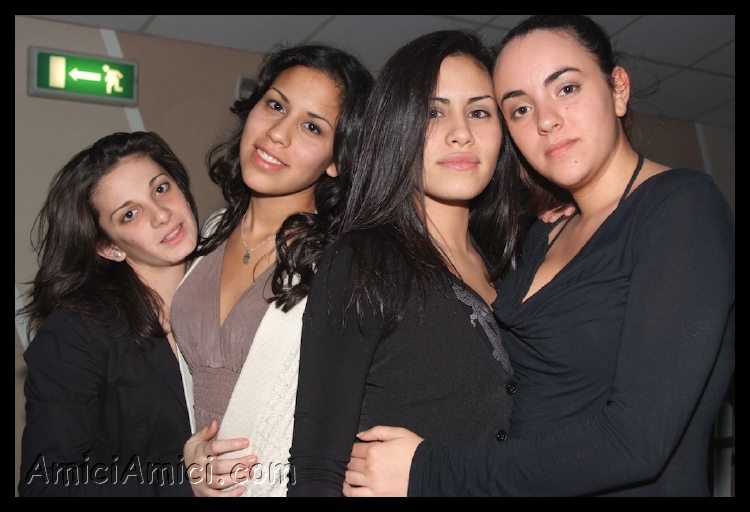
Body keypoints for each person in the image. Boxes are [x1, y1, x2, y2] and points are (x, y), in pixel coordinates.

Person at [343, 15, 735, 497]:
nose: (546, 120)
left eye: (566, 88)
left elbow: (635, 441)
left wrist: (428, 470)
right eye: (520, 109)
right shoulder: (542, 235)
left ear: (618, 89)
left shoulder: (682, 207)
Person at [287, 30, 527, 497]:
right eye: (434, 112)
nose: (461, 132)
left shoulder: (515, 267)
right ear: (397, 127)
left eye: (479, 112)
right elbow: (316, 467)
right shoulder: (363, 260)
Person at [171, 43, 374, 497]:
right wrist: (193, 456)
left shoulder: (341, 263)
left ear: (337, 160)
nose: (278, 133)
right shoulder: (212, 231)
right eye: (276, 105)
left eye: (311, 126)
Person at [17, 131, 201, 496]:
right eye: (130, 214)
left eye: (160, 189)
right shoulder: (74, 334)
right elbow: (44, 486)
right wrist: (184, 482)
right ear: (108, 247)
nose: (162, 214)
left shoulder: (228, 285)